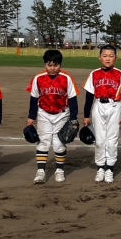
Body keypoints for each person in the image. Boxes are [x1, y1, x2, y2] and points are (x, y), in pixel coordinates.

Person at [26, 50, 79, 184]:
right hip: (43, 114)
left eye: (56, 65)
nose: (52, 68)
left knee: (59, 143)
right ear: (45, 64)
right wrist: (31, 116)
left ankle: (59, 171)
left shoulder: (66, 78)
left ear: (60, 65)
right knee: (43, 142)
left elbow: (73, 99)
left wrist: (73, 118)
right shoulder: (38, 78)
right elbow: (34, 98)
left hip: (62, 115)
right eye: (49, 65)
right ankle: (41, 171)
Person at [83, 45, 121, 184]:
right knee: (100, 140)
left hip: (114, 106)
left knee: (111, 140)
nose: (108, 59)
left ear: (116, 58)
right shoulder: (94, 74)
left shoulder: (120, 74)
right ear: (99, 58)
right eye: (105, 56)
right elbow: (89, 96)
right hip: (98, 106)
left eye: (111, 56)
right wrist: (86, 115)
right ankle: (100, 167)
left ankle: (110, 169)